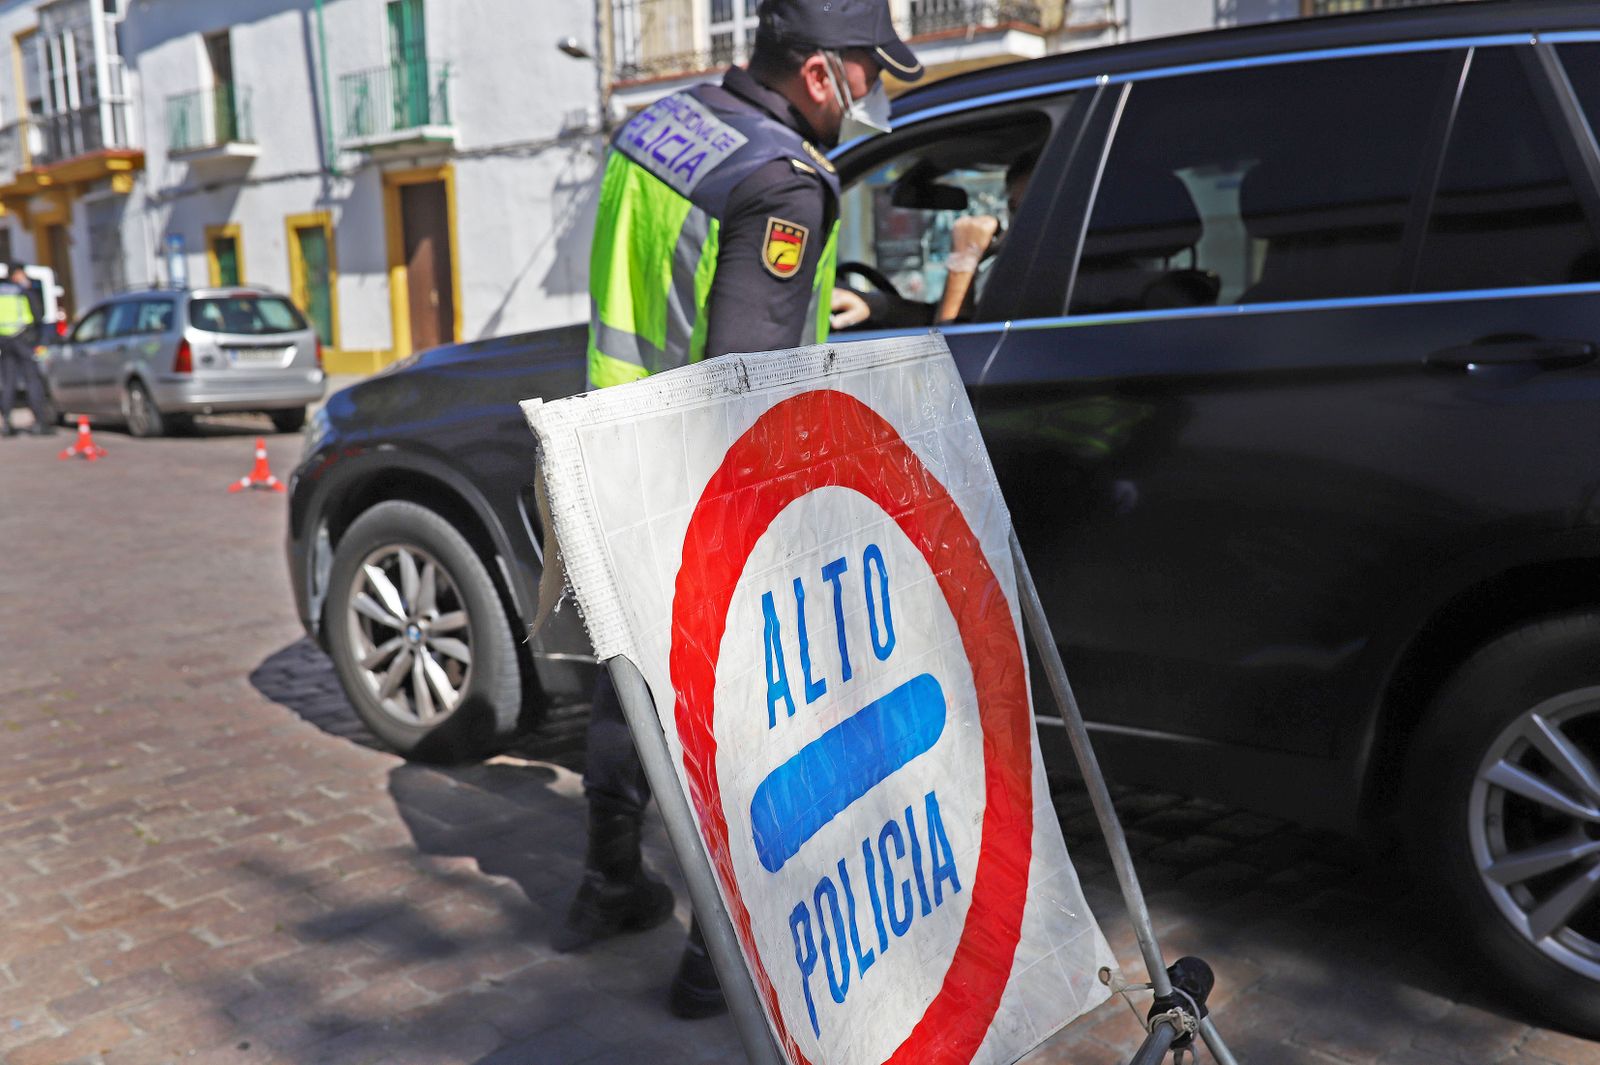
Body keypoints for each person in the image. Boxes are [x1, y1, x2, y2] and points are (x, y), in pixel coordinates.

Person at [561, 0, 923, 1020]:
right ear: (819, 74)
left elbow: (669, 287)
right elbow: (743, 387)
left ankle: (606, 885)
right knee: (742, 717)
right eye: (869, 72)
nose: (873, 93)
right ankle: (716, 961)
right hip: (708, 486)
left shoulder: (662, 126)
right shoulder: (783, 185)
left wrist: (815, 300)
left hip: (615, 446)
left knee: (625, 684)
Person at [830, 145, 1038, 330]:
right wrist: (876, 306)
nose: (1017, 222)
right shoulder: (1013, 269)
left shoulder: (1046, 279)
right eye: (1013, 209)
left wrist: (964, 260)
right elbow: (938, 317)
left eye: (1031, 209)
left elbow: (955, 358)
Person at [0, 264, 53, 437]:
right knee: (32, 380)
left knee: (8, 382)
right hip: (23, 339)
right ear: (17, 274)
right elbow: (38, 314)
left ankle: (6, 423)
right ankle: (39, 422)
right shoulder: (22, 291)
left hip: (4, 341)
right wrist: (28, 288)